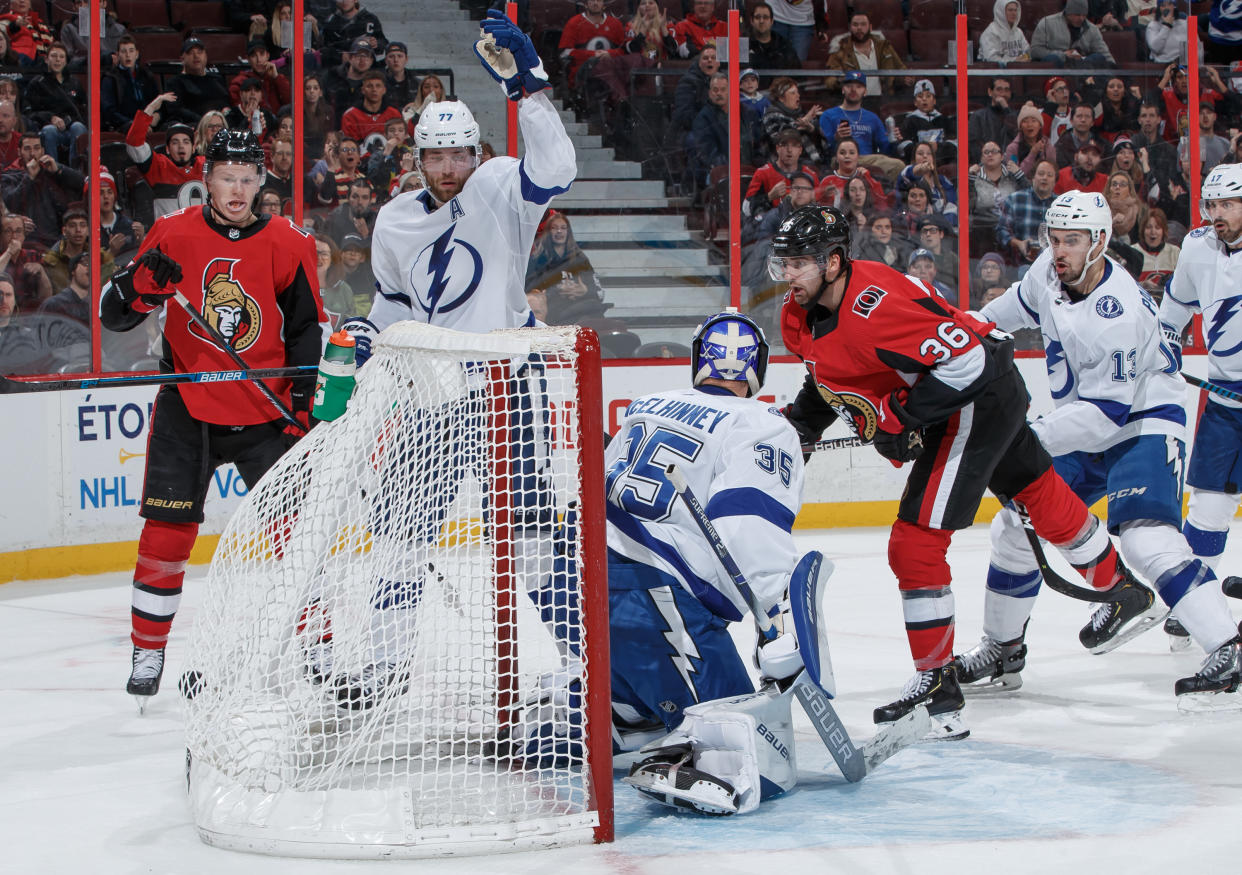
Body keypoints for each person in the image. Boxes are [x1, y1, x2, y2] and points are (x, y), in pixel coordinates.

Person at [773, 204, 1143, 739]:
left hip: (975, 400)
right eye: (784, 263)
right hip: (987, 393)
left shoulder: (874, 306)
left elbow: (965, 359)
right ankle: (1120, 587)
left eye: (800, 262)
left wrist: (903, 417)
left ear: (833, 262)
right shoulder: (801, 309)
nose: (789, 274)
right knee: (1037, 492)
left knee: (915, 542)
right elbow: (828, 376)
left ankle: (936, 682)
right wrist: (804, 424)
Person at [325, 14, 576, 707]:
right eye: (436, 159)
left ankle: (578, 661)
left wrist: (530, 88)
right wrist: (364, 332)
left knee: (530, 535)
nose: (449, 170)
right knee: (401, 533)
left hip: (505, 383)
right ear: (418, 158)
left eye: (459, 155)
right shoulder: (398, 220)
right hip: (431, 392)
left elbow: (557, 168)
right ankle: (381, 667)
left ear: (475, 150)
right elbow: (393, 305)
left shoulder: (500, 187)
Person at [969, 189, 1239, 708]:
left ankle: (1229, 646)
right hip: (1084, 422)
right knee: (1013, 526)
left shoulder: (1117, 312)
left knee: (1146, 538)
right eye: (1054, 239)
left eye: (1072, 240)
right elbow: (999, 315)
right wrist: (952, 342)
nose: (1060, 250)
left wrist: (1024, 439)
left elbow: (1104, 417)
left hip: (1142, 423)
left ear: (1099, 242)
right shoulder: (1050, 272)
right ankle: (1003, 650)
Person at [100, 128, 326, 705]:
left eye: (249, 179)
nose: (238, 189)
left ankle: (318, 646)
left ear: (261, 181)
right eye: (227, 177)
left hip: (265, 410)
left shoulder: (288, 240)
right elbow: (113, 313)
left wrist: (302, 405)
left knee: (295, 537)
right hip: (188, 405)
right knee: (167, 533)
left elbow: (305, 330)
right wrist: (143, 290)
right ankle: (148, 652)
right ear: (207, 179)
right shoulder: (172, 233)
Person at [607, 308, 810, 816]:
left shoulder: (647, 403)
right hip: (645, 592)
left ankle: (614, 709)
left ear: (699, 360)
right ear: (757, 370)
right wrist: (773, 621)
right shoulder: (763, 422)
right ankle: (687, 749)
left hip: (568, 580)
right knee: (743, 734)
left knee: (627, 653)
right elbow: (748, 525)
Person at [1159, 164, 1242, 661]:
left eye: (1228, 205)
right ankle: (1194, 602)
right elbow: (1172, 313)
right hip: (1225, 399)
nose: (1217, 216)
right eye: (1211, 206)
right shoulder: (1197, 247)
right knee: (1207, 510)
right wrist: (1167, 342)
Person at [0, 132, 86, 248]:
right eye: (27, 149)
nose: (32, 153)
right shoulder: (9, 175)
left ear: (43, 150)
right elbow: (12, 203)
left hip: (58, 235)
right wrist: (29, 178)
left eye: (36, 148)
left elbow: (83, 183)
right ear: (19, 152)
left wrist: (59, 170)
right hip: (29, 239)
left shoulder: (50, 169)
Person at [525, 211, 608, 326]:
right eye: (554, 228)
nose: (559, 231)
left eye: (563, 228)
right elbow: (528, 291)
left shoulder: (579, 258)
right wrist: (555, 291)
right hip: (554, 315)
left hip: (581, 310)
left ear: (568, 232)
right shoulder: (537, 259)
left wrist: (585, 290)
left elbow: (598, 291)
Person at [125, 99, 205, 220]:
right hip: (169, 236)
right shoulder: (158, 166)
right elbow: (134, 144)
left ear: (194, 147)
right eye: (175, 142)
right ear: (167, 149)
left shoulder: (207, 167)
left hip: (200, 236)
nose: (181, 146)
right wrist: (150, 108)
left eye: (186, 142)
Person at [819, 71, 903, 183]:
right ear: (843, 89)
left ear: (865, 92)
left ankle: (883, 196)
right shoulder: (828, 115)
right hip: (841, 158)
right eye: (849, 86)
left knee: (898, 166)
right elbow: (825, 150)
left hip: (867, 159)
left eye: (858, 87)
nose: (853, 90)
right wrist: (836, 138)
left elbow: (885, 149)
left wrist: (893, 140)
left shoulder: (872, 117)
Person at [24, 42, 87, 167]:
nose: (57, 60)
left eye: (61, 57)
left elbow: (84, 110)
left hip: (72, 127)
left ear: (65, 61)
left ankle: (76, 173)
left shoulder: (75, 83)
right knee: (49, 130)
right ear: (47, 59)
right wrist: (50, 117)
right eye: (54, 56)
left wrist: (68, 120)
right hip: (49, 128)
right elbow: (29, 113)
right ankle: (54, 173)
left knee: (78, 127)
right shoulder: (37, 83)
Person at [824, 12, 908, 100]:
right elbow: (829, 80)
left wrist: (905, 79)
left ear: (870, 27)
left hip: (882, 100)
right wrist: (840, 81)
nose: (859, 28)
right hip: (854, 102)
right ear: (850, 28)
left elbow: (902, 70)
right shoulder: (841, 51)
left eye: (863, 24)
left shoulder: (884, 47)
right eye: (855, 25)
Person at [743, 128, 818, 221]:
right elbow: (746, 209)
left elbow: (818, 209)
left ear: (800, 150)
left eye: (794, 145)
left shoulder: (810, 175)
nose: (789, 150)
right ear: (777, 148)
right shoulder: (762, 173)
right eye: (784, 145)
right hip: (771, 229)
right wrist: (769, 196)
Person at [998, 158, 1059, 266]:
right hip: (1020, 264)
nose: (1044, 178)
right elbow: (1001, 230)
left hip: (1052, 265)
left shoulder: (1060, 205)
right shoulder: (1015, 199)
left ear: (1055, 181)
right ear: (1033, 177)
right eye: (1041, 174)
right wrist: (1019, 244)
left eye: (1049, 175)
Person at [165, 38, 232, 127]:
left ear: (206, 56)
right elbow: (177, 110)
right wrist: (206, 121)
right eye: (190, 53)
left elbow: (227, 104)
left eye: (200, 52)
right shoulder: (175, 83)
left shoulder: (217, 79)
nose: (196, 56)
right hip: (196, 127)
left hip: (222, 125)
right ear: (182, 58)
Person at [101, 35, 161, 134]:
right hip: (123, 125)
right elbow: (109, 111)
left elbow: (158, 101)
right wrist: (134, 124)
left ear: (137, 54)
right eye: (123, 51)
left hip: (147, 123)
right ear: (118, 54)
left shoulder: (147, 75)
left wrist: (158, 115)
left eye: (131, 51)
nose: (128, 55)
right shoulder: (110, 78)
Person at [1029, 0, 1115, 67]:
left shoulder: (1092, 29)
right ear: (1068, 13)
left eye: (1084, 15)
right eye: (1077, 15)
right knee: (1053, 58)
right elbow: (1035, 51)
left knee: (1098, 58)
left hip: (1082, 65)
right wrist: (1062, 55)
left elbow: (1105, 54)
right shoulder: (1047, 23)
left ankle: (1087, 84)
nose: (1081, 18)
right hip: (1057, 64)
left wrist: (1116, 71)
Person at [759, 76, 823, 166]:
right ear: (781, 98)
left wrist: (811, 128)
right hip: (781, 165)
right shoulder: (771, 115)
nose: (798, 96)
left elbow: (818, 130)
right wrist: (806, 120)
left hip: (810, 160)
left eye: (797, 92)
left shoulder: (800, 112)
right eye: (793, 93)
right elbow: (785, 134)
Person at [229, 40, 292, 117]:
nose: (259, 60)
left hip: (279, 123)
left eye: (262, 54)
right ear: (248, 59)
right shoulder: (240, 81)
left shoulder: (277, 78)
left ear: (268, 56)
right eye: (253, 56)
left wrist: (276, 77)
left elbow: (290, 101)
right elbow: (238, 110)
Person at [967, 78, 1018, 165]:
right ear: (990, 92)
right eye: (999, 89)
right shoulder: (978, 116)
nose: (1003, 93)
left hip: (1010, 166)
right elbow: (974, 145)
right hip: (985, 166)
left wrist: (1006, 108)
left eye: (1007, 90)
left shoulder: (1016, 116)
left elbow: (1016, 134)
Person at [747, 2, 800, 72]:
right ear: (751, 21)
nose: (761, 21)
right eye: (757, 17)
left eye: (765, 17)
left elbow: (798, 76)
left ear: (772, 21)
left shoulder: (784, 46)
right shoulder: (745, 44)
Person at [979, 0, 1031, 65]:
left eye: (1015, 10)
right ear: (1000, 12)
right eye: (1010, 10)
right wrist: (1014, 61)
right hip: (992, 72)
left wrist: (1026, 57)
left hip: (1018, 70)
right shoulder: (991, 32)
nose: (1014, 13)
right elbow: (991, 58)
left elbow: (1027, 52)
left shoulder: (1018, 31)